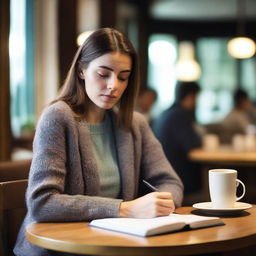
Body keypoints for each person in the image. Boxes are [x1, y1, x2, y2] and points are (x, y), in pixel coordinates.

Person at [14, 28, 183, 256]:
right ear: (82, 70)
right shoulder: (57, 117)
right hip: (58, 249)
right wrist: (125, 209)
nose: (114, 85)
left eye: (123, 77)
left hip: (113, 244)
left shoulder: (134, 123)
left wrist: (163, 201)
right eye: (104, 74)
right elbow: (42, 202)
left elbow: (170, 182)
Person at [153, 81, 202, 205]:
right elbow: (192, 145)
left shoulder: (165, 113)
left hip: (163, 176)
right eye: (197, 97)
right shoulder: (180, 115)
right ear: (191, 96)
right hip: (178, 177)